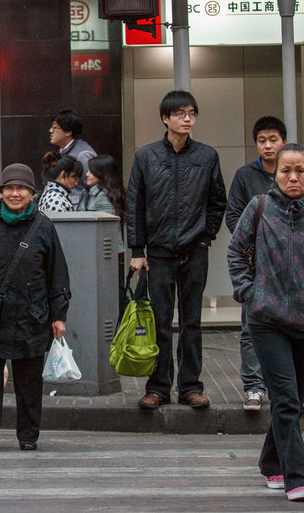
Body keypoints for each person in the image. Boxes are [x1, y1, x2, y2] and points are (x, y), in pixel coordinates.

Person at [227, 144, 304, 502]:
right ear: (275, 174)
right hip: (266, 320)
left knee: (291, 400)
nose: (293, 177)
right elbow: (236, 252)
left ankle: (270, 461)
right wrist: (250, 293)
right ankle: (297, 478)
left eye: (300, 170)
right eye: (285, 171)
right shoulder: (259, 208)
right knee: (285, 400)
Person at [0, 163, 70, 453]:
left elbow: (57, 275)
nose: (15, 193)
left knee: (29, 383)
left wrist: (59, 316)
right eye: (9, 188)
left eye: (22, 188)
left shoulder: (43, 227)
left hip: (32, 317)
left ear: (32, 193)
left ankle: (28, 435)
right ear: (1, 192)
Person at [127, 90, 226, 410]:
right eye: (181, 113)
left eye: (192, 114)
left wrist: (205, 236)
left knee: (192, 322)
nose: (187, 119)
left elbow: (217, 201)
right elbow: (135, 204)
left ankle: (190, 387)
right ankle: (157, 388)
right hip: (157, 252)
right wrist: (137, 249)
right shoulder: (147, 156)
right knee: (159, 320)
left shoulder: (207, 156)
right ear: (165, 118)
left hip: (194, 249)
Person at [225, 116, 287, 413]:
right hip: (257, 264)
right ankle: (253, 387)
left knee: (290, 327)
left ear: (283, 141)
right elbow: (233, 216)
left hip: (291, 264)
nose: (267, 145)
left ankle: (286, 387)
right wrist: (257, 242)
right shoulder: (245, 175)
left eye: (273, 139)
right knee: (252, 327)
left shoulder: (293, 171)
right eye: (262, 140)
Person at [83, 154, 128, 314]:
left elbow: (106, 233)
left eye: (91, 171)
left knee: (111, 293)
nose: (87, 174)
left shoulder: (102, 197)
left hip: (105, 256)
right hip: (106, 255)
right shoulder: (99, 194)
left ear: (102, 173)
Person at [48, 108, 96, 209]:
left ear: (68, 132)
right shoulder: (63, 151)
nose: (50, 131)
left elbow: (93, 188)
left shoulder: (83, 154)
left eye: (55, 127)